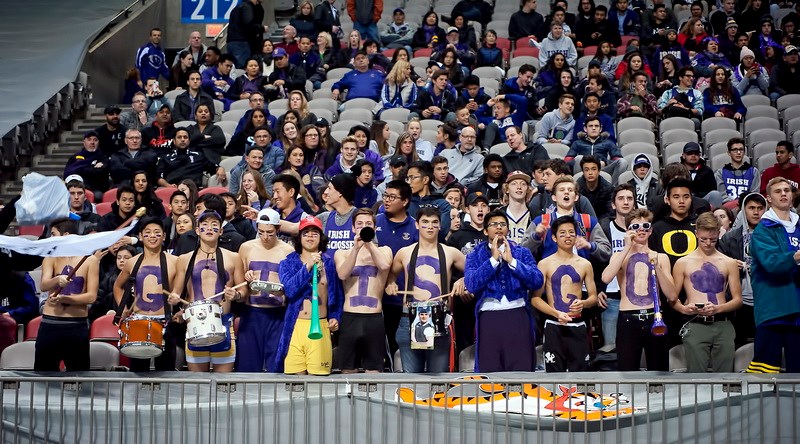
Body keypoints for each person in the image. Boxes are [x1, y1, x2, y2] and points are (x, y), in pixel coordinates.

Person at [386, 206, 466, 372]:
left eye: (434, 222)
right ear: (417, 225)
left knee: (437, 382)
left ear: (440, 226)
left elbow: (475, 273)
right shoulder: (404, 253)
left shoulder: (451, 252)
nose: (430, 226)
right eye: (425, 222)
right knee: (413, 381)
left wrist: (463, 281)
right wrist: (391, 284)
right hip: (408, 319)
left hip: (439, 319)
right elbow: (390, 277)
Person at [465, 209, 543, 372]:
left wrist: (513, 262)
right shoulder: (474, 255)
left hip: (518, 314)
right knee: (491, 370)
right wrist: (493, 261)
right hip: (489, 316)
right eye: (494, 224)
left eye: (502, 224)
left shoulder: (521, 252)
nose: (499, 227)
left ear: (508, 229)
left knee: (520, 368)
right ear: (486, 230)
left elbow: (537, 280)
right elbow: (471, 284)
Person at [168, 210, 244, 373]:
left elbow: (243, 291)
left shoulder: (233, 257)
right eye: (205, 225)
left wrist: (236, 295)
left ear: (221, 231)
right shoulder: (184, 259)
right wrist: (174, 299)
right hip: (195, 324)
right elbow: (176, 292)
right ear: (197, 230)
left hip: (223, 321)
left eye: (214, 225)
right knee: (196, 386)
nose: (209, 228)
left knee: (223, 386)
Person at [601, 208, 676, 370]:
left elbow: (672, 295)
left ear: (651, 231)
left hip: (654, 317)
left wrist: (657, 267)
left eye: (645, 226)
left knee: (659, 372)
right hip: (628, 318)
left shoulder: (661, 257)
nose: (641, 230)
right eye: (635, 227)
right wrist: (626, 247)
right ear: (628, 230)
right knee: (627, 373)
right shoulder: (619, 256)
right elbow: (606, 278)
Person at [671, 212, 742, 372]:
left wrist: (718, 308)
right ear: (696, 233)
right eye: (703, 239)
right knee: (696, 380)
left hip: (723, 323)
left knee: (726, 379)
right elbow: (672, 299)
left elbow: (738, 300)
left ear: (719, 233)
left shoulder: (728, 262)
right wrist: (684, 308)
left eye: (713, 239)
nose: (708, 243)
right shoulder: (683, 263)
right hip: (695, 323)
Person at [746, 177, 800, 373]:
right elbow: (771, 264)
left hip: (797, 312)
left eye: (787, 190)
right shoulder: (763, 230)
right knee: (765, 378)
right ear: (769, 198)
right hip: (774, 310)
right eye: (778, 191)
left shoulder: (799, 226)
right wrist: (796, 256)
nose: (784, 193)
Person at [277, 216, 343, 374]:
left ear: (321, 238)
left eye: (315, 233)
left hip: (320, 326)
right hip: (295, 327)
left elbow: (338, 295)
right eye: (305, 233)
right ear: (299, 237)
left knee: (318, 384)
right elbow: (290, 290)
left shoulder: (330, 263)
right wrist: (308, 266)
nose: (310, 237)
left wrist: (336, 317)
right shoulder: (287, 263)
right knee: (295, 385)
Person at [112, 217, 179, 372]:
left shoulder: (175, 261)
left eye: (157, 233)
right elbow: (117, 286)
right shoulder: (132, 262)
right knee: (138, 372)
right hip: (138, 323)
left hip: (165, 322)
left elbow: (184, 289)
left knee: (166, 372)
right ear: (141, 236)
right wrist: (123, 308)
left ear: (164, 236)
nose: (152, 236)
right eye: (148, 233)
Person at [533, 215, 597, 372]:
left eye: (571, 232)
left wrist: (584, 303)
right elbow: (535, 299)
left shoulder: (585, 264)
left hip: (578, 324)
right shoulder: (544, 263)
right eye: (562, 233)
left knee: (581, 375)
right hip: (554, 325)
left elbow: (594, 297)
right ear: (554, 238)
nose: (568, 236)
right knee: (554, 376)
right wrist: (555, 313)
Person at [35, 219, 99, 371]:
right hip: (50, 325)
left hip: (77, 326)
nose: (51, 238)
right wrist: (57, 279)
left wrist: (64, 298)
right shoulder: (50, 258)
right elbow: (43, 285)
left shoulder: (90, 260)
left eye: (53, 234)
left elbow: (91, 296)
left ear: (66, 235)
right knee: (43, 376)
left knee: (79, 377)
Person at [236, 208, 295, 372]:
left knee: (276, 365)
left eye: (270, 232)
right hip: (252, 311)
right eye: (261, 232)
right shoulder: (246, 248)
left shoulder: (288, 251)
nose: (265, 237)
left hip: (277, 313)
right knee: (247, 366)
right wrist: (246, 276)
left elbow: (291, 285)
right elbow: (239, 282)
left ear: (278, 229)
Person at [334, 209, 392, 373]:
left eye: (368, 224)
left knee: (374, 371)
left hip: (373, 317)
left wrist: (369, 243)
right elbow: (343, 273)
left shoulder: (384, 250)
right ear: (353, 228)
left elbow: (384, 266)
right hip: (350, 316)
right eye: (359, 224)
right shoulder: (343, 253)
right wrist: (356, 249)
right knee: (347, 370)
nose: (363, 227)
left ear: (374, 228)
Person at [596, 184, 636, 346]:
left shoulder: (644, 229)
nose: (625, 202)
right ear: (613, 204)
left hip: (637, 298)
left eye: (629, 198)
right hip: (611, 296)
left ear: (634, 203)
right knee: (610, 349)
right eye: (621, 199)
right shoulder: (605, 227)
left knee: (636, 349)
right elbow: (596, 261)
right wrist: (598, 289)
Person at [565, 116, 627, 184]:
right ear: (585, 129)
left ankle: (612, 189)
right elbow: (567, 161)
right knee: (579, 158)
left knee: (622, 162)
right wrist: (583, 162)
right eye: (591, 126)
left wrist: (605, 162)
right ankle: (578, 187)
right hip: (583, 170)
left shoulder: (608, 142)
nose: (594, 128)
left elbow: (617, 158)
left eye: (596, 126)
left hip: (602, 169)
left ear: (600, 129)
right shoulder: (577, 143)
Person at [157, 128, 225, 187]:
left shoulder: (198, 155)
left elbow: (213, 167)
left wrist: (220, 168)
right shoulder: (166, 157)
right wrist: (167, 185)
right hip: (172, 189)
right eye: (179, 137)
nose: (182, 140)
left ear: (189, 141)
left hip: (194, 191)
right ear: (174, 141)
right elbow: (158, 177)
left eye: (185, 137)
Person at [715, 137, 759, 208]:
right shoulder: (721, 172)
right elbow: (722, 195)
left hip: (748, 207)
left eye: (741, 150)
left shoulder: (753, 171)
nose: (738, 152)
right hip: (728, 208)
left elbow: (754, 194)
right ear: (729, 153)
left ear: (744, 152)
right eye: (735, 150)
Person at [63, 130, 109, 195]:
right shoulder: (75, 157)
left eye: (95, 140)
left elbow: (98, 173)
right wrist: (92, 167)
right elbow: (67, 173)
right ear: (84, 142)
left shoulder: (103, 158)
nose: (92, 142)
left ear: (98, 142)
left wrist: (78, 169)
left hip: (95, 190)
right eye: (89, 140)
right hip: (75, 188)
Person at [226, 0, 267, 67]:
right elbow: (249, 25)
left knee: (233, 69)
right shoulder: (247, 7)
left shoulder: (238, 7)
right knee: (243, 68)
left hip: (231, 42)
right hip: (241, 43)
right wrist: (262, 28)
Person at [576, 155, 613, 220]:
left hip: (602, 221)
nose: (590, 173)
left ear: (599, 171)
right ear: (583, 172)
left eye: (593, 169)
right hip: (582, 220)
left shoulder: (608, 188)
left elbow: (610, 212)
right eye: (586, 170)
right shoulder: (576, 188)